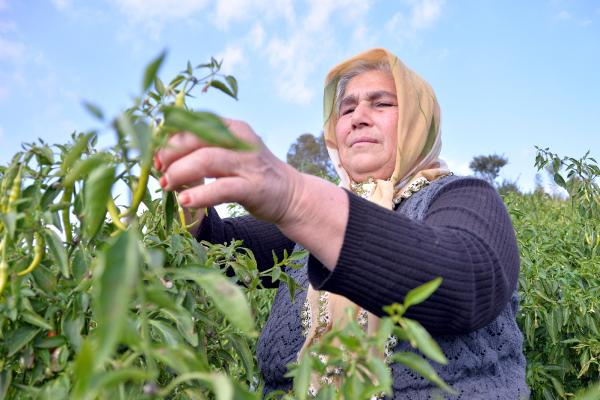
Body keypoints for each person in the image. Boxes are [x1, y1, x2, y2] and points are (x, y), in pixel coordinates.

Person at [154, 48, 529, 399]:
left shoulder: (463, 196)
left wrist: (296, 197)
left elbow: (467, 280)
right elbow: (223, 254)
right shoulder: (308, 232)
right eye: (346, 110)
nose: (358, 117)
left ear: (419, 119)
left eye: (381, 103)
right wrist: (187, 200)